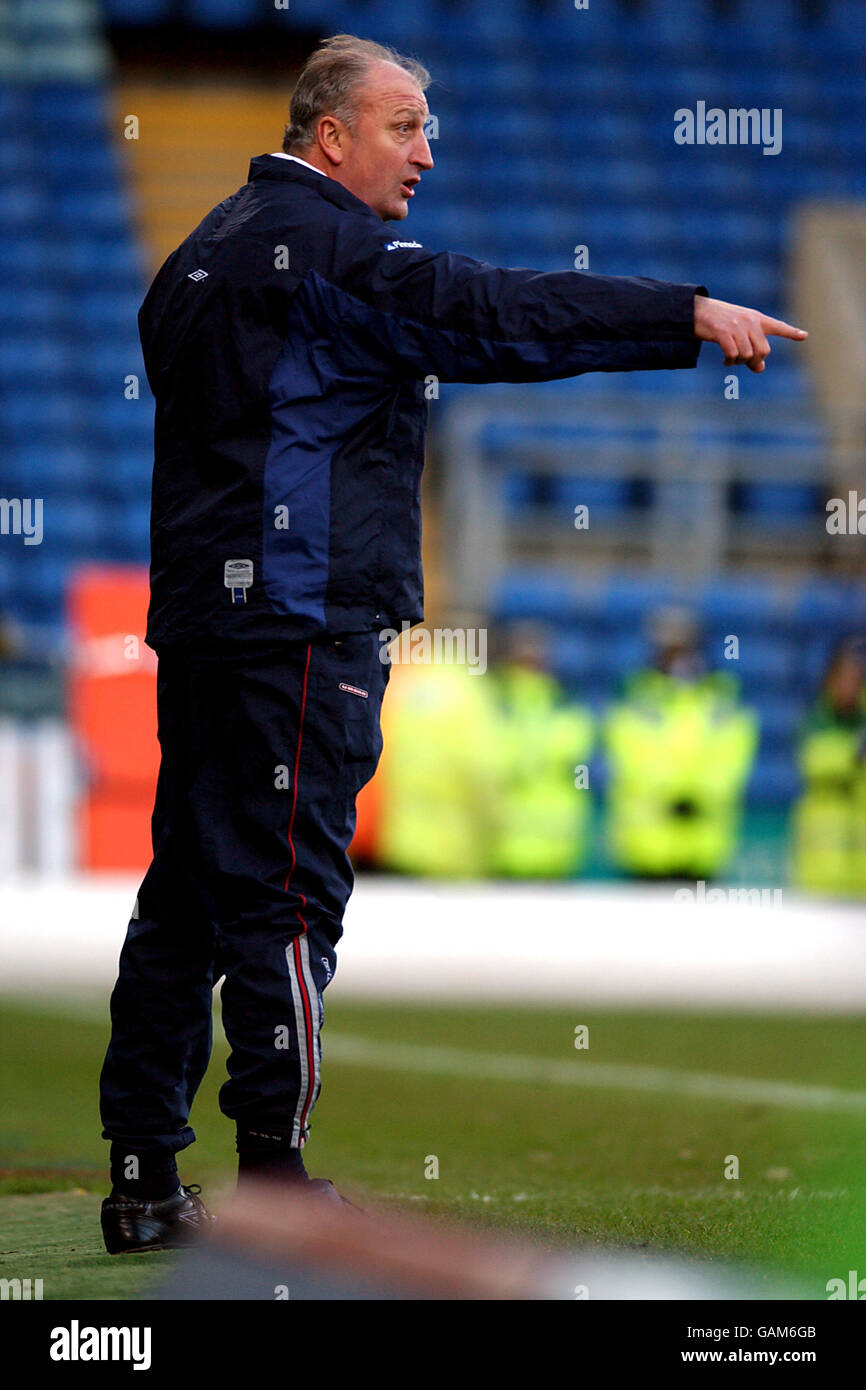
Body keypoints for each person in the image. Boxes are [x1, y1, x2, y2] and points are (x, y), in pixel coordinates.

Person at [98, 32, 808, 1254]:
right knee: (282, 900)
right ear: (329, 136)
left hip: (209, 625)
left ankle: (143, 1175)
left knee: (183, 898)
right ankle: (271, 1181)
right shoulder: (330, 252)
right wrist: (679, 312)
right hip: (303, 624)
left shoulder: (192, 261)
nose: (427, 153)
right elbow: (492, 312)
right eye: (404, 128)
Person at [604, 606, 757, 880]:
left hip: (703, 844)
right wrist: (671, 793)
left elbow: (734, 754)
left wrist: (697, 794)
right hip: (646, 844)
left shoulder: (721, 694)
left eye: (682, 644)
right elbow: (627, 754)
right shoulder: (635, 692)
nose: (675, 653)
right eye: (668, 645)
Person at [791, 639, 866, 898]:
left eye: (855, 679)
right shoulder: (816, 717)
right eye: (842, 678)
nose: (848, 687)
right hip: (820, 870)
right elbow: (813, 760)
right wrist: (852, 754)